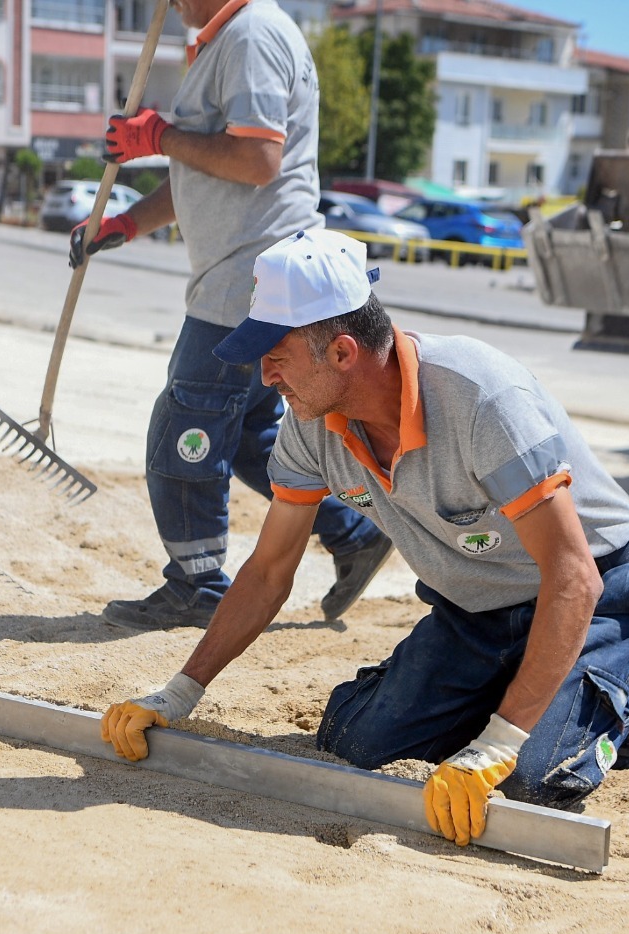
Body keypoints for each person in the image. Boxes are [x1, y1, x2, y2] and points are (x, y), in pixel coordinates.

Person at [99, 229, 629, 844]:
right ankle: (519, 692)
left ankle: (626, 698)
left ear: (342, 352)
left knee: (534, 779)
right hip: (476, 611)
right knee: (355, 741)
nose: (265, 376)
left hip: (596, 597)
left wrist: (499, 743)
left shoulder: (482, 398)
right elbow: (268, 571)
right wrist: (180, 691)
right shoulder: (310, 424)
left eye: (277, 354)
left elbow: (573, 576)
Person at [67, 0, 390, 632]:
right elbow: (207, 173)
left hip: (251, 283)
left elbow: (256, 159)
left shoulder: (253, 34)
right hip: (247, 278)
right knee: (248, 439)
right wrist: (127, 223)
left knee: (183, 426)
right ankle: (354, 535)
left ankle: (196, 585)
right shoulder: (224, 42)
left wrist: (158, 136)